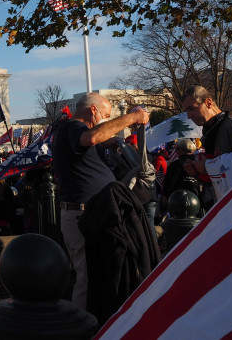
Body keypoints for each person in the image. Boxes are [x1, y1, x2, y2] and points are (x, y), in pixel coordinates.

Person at [51, 92, 150, 310]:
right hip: (83, 213)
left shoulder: (75, 132)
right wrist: (134, 118)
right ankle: (81, 328)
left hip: (93, 212)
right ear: (93, 110)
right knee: (87, 277)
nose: (106, 120)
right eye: (105, 116)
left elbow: (92, 143)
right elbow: (92, 137)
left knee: (100, 273)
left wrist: (112, 142)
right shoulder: (73, 127)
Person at [180, 85, 232, 158]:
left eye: (191, 109)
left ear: (208, 103)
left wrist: (208, 166)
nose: (189, 116)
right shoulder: (209, 131)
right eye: (186, 111)